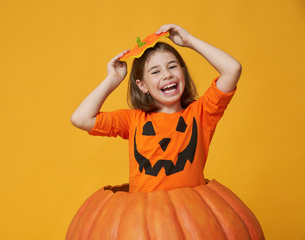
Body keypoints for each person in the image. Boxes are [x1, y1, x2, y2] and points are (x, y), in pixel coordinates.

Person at [70, 24, 242, 193]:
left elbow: (232, 69)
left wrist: (189, 40)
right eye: (155, 72)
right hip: (144, 216)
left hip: (190, 213)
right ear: (142, 85)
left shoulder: (201, 114)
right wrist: (112, 79)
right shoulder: (133, 120)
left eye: (172, 66)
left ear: (183, 72)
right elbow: (81, 118)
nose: (167, 74)